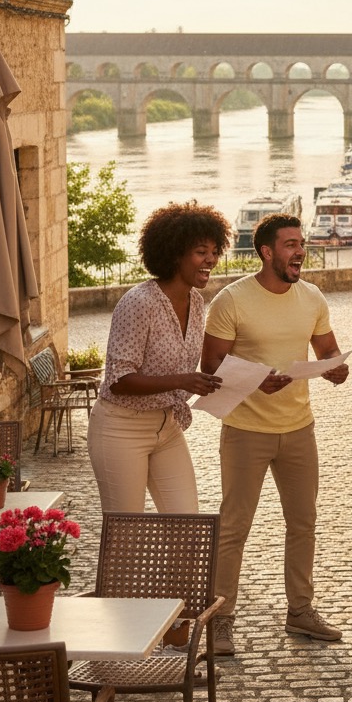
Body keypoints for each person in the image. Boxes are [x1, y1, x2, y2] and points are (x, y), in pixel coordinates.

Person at [201, 213, 350, 656]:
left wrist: (336, 369)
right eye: (290, 244)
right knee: (234, 528)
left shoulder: (312, 297)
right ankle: (220, 620)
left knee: (303, 524)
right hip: (246, 430)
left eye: (301, 243)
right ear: (266, 252)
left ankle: (300, 611)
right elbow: (209, 366)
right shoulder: (231, 300)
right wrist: (256, 378)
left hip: (299, 428)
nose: (300, 251)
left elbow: (327, 352)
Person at [88, 201, 230, 513]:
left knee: (187, 528)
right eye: (201, 251)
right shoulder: (139, 303)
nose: (211, 259)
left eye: (214, 251)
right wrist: (184, 381)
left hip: (167, 426)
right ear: (174, 253)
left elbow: (194, 363)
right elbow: (118, 381)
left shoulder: (196, 300)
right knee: (125, 535)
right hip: (120, 428)